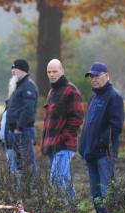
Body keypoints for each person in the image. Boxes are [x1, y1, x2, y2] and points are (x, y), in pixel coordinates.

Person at [79, 62, 124, 213]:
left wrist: (101, 144)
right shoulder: (93, 97)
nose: (94, 79)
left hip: (105, 153)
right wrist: (83, 146)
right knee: (95, 191)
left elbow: (116, 127)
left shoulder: (114, 97)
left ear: (107, 75)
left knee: (107, 189)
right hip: (90, 153)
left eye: (97, 76)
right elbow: (88, 124)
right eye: (91, 76)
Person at [41, 59, 84, 200]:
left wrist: (62, 137)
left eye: (55, 71)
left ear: (62, 71)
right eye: (49, 72)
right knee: (64, 181)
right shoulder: (52, 91)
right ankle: (72, 211)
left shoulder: (71, 90)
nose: (52, 74)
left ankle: (64, 211)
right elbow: (48, 120)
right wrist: (44, 143)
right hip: (51, 144)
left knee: (56, 179)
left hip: (64, 145)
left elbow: (77, 118)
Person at [6, 59, 39, 188]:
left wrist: (19, 127)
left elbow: (28, 109)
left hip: (23, 131)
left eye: (15, 68)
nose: (13, 71)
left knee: (28, 164)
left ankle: (32, 192)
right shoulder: (17, 86)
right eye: (12, 69)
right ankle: (22, 193)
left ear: (23, 70)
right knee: (18, 164)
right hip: (15, 132)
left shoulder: (28, 86)